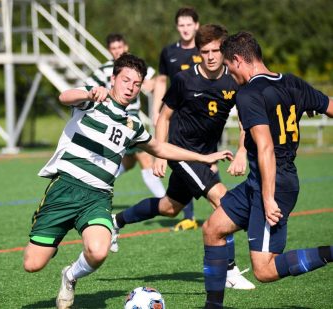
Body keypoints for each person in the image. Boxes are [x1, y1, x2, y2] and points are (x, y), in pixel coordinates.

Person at [22, 53, 233, 309]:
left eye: (136, 84)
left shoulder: (132, 126)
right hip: (64, 190)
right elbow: (64, 97)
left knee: (99, 251)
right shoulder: (94, 100)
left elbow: (161, 148)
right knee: (32, 264)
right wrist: (88, 94)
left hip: (97, 197)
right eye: (125, 80)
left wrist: (203, 156)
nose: (130, 88)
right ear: (113, 79)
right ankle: (51, 239)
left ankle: (70, 276)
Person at [111, 24, 255, 290]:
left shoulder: (233, 80)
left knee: (169, 207)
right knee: (224, 202)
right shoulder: (185, 80)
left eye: (215, 50)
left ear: (223, 50)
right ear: (197, 53)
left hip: (206, 156)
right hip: (181, 151)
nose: (210, 56)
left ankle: (115, 222)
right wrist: (160, 155)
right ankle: (229, 270)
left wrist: (242, 152)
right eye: (204, 51)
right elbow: (163, 117)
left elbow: (247, 121)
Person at [202, 32, 333, 309]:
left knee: (263, 270)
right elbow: (330, 106)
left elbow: (265, 148)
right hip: (256, 182)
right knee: (213, 228)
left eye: (229, 65)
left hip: (274, 183)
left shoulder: (249, 93)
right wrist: (307, 108)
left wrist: (269, 196)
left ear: (238, 59)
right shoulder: (293, 83)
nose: (229, 72)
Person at [85, 33, 166, 211]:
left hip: (133, 117)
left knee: (127, 163)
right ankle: (164, 201)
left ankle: (93, 185)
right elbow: (88, 87)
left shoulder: (135, 66)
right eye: (113, 49)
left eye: (119, 47)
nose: (117, 51)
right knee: (145, 158)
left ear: (126, 47)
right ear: (109, 51)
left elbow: (157, 82)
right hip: (121, 119)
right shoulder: (105, 70)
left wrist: (149, 88)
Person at [153, 7, 202, 230]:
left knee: (206, 160)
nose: (185, 29)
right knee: (180, 161)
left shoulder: (206, 51)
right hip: (175, 115)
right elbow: (161, 81)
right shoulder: (168, 52)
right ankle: (189, 216)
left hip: (202, 117)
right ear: (177, 27)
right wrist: (156, 110)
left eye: (188, 24)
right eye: (181, 25)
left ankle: (222, 207)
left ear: (196, 26)